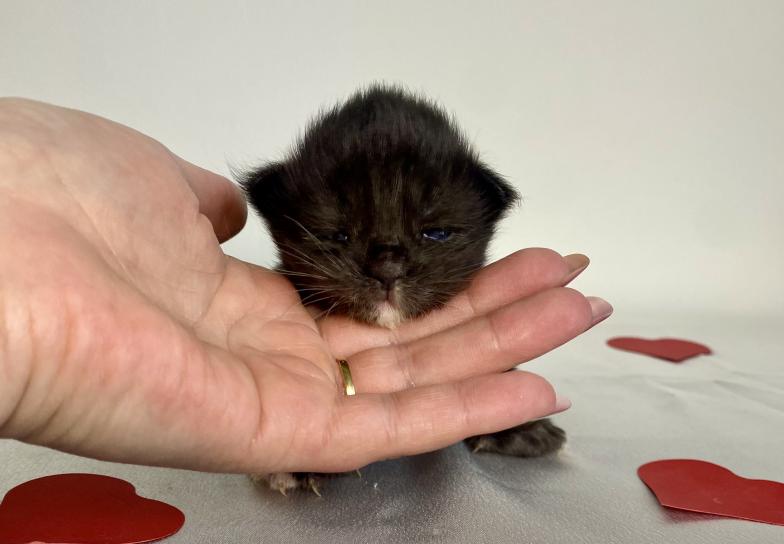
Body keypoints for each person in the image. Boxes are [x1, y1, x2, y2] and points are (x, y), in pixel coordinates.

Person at [0, 98, 612, 474]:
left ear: (487, 214)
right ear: (275, 210)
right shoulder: (272, 328)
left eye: (435, 236)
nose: (388, 268)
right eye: (339, 238)